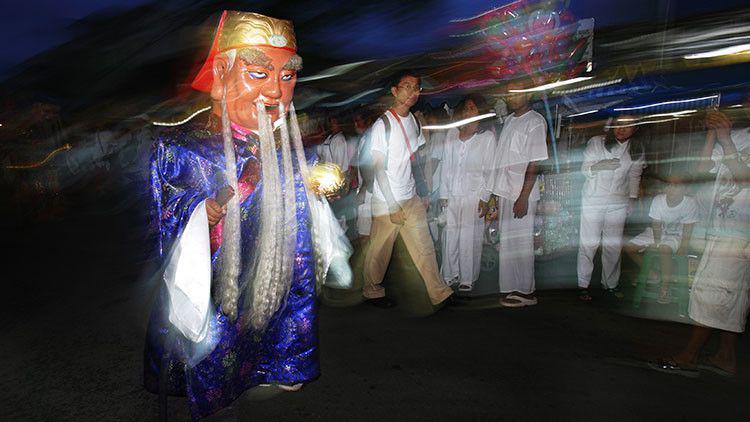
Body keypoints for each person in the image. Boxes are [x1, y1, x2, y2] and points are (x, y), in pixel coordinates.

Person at [143, 11, 336, 419]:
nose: (276, 92)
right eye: (259, 74)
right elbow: (164, 211)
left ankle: (275, 363)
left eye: (287, 77)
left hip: (271, 276)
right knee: (218, 354)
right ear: (220, 75)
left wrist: (321, 188)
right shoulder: (183, 147)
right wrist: (199, 212)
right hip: (217, 275)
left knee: (275, 312)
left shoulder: (290, 148)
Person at [651, 107, 750, 377]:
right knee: (732, 296)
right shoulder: (739, 136)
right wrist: (712, 135)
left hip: (739, 233)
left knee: (711, 292)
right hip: (722, 227)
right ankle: (725, 356)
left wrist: (726, 139)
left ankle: (689, 355)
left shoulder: (735, 138)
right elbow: (703, 168)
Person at [362, 70, 454, 308]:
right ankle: (372, 290)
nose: (413, 92)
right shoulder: (382, 125)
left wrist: (421, 194)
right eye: (407, 87)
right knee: (380, 251)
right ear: (394, 91)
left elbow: (415, 161)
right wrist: (392, 206)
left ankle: (439, 293)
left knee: (424, 247)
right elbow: (379, 169)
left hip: (410, 195)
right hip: (386, 200)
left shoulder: (413, 121)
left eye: (416, 88)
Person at [483, 80, 549, 307]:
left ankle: (527, 292)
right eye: (510, 94)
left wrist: (523, 197)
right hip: (505, 191)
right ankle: (512, 288)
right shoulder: (510, 120)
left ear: (528, 96)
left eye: (517, 94)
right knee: (509, 244)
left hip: (522, 194)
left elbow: (535, 163)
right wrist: (494, 192)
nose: (512, 98)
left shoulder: (535, 122)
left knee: (521, 244)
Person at [577, 115, 646, 301]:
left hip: (618, 203)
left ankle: (610, 285)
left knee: (613, 245)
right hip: (593, 200)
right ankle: (583, 285)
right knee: (589, 243)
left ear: (635, 128)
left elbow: (634, 176)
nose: (621, 129)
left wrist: (632, 199)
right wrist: (598, 166)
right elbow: (584, 169)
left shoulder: (636, 149)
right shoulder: (596, 143)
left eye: (627, 126)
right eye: (618, 125)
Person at [438, 95, 496, 292]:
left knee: (469, 238)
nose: (468, 111)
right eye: (466, 108)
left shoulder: (486, 138)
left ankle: (467, 278)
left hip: (474, 195)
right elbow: (446, 165)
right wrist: (444, 194)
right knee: (450, 235)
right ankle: (449, 275)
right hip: (453, 194)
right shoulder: (452, 135)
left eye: (472, 108)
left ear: (479, 113)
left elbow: (490, 170)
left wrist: (485, 196)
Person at [623, 175, 699, 303]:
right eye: (668, 185)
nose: (671, 189)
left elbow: (688, 228)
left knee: (665, 249)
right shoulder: (658, 200)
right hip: (657, 233)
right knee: (629, 247)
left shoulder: (690, 203)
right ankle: (653, 275)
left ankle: (665, 287)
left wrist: (683, 247)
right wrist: (657, 243)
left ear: (685, 189)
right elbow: (656, 224)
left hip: (677, 236)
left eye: (676, 186)